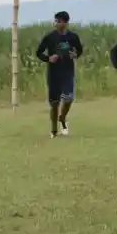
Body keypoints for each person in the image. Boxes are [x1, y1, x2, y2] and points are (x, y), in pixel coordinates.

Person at [35, 10, 83, 138]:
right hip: (53, 73)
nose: (55, 23)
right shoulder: (49, 37)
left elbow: (79, 50)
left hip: (67, 72)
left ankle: (62, 118)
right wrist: (48, 58)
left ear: (65, 23)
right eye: (55, 21)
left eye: (58, 21)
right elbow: (38, 52)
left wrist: (75, 55)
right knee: (54, 103)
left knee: (69, 98)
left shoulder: (73, 37)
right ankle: (54, 130)